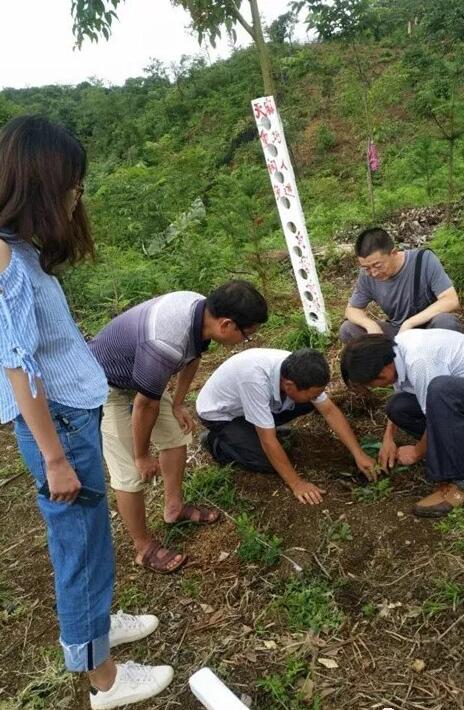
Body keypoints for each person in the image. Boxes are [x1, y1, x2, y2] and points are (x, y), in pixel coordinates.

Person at [0, 115, 174, 708]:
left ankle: (97, 625)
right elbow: (18, 367)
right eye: (72, 184)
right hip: (60, 433)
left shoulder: (19, 249)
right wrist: (54, 458)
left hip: (72, 420)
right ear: (43, 182)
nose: (78, 196)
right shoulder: (4, 259)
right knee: (78, 546)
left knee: (92, 537)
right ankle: (103, 678)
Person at [88, 281, 267, 573]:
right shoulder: (165, 344)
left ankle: (174, 508)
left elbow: (193, 355)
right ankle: (143, 547)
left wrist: (178, 402)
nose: (247, 340)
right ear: (226, 324)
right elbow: (145, 405)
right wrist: (142, 455)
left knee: (174, 435)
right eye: (247, 335)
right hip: (105, 384)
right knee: (129, 472)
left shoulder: (200, 311)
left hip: (141, 374)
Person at [340, 330, 464, 517]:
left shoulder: (420, 359)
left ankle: (463, 484)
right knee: (398, 406)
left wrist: (417, 452)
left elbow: (437, 412)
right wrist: (388, 439)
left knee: (442, 390)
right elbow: (406, 397)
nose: (374, 388)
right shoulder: (395, 351)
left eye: (371, 384)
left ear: (383, 370)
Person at [196, 347, 376, 504]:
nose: (317, 396)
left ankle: (257, 427)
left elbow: (329, 411)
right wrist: (297, 484)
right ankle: (215, 441)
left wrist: (358, 453)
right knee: (266, 462)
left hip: (251, 406)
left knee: (310, 403)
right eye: (313, 393)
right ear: (289, 385)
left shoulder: (299, 371)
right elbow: (268, 441)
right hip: (222, 415)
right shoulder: (254, 380)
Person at [339, 226, 462, 342]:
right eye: (367, 267)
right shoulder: (367, 275)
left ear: (393, 253)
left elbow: (450, 300)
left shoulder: (424, 260)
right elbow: (352, 309)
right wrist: (370, 326)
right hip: (397, 332)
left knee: (446, 322)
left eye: (377, 265)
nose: (373, 272)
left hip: (428, 328)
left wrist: (409, 323)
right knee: (348, 329)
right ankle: (388, 363)